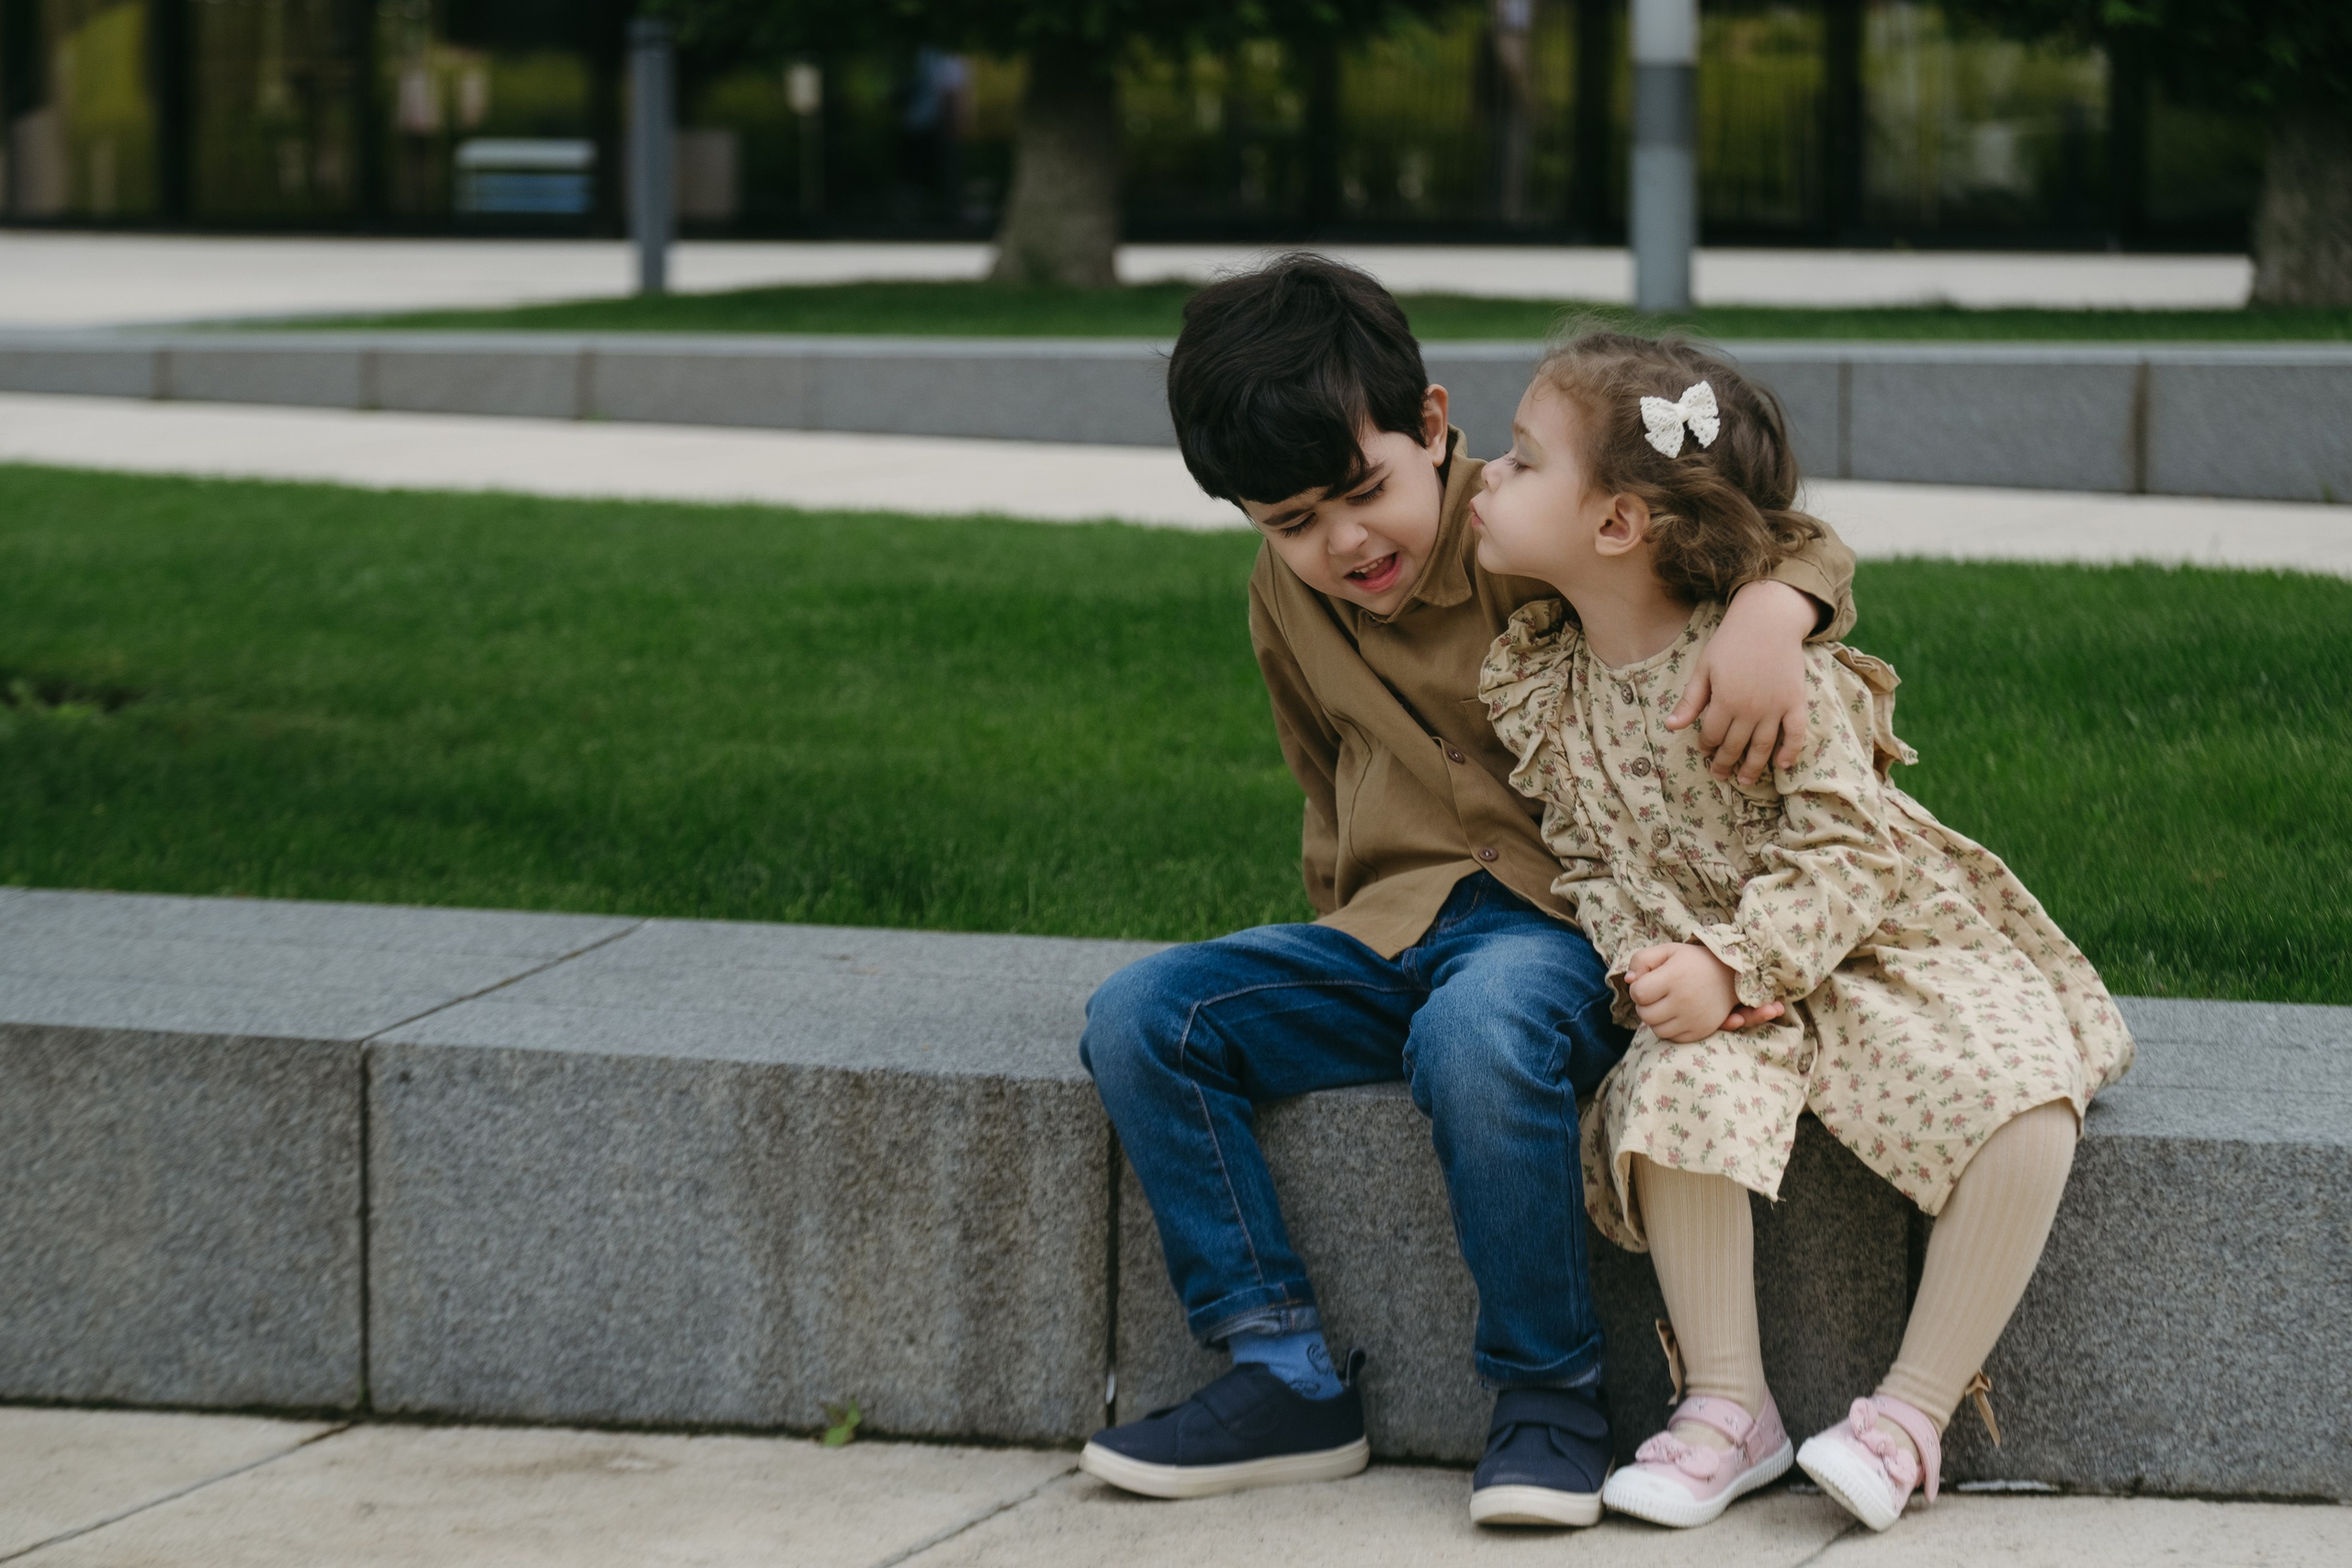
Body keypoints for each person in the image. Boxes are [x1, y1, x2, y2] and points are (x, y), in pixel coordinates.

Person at [1075, 255, 1859, 1527]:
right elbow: (1323, 775)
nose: (1342, 543)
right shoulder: (1288, 596)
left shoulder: (1533, 523)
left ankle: (1549, 1397)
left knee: (1478, 1030)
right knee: (1142, 1017)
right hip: (1387, 934)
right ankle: (1282, 1373)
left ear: (1432, 424)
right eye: (1290, 523)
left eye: (1361, 492)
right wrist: (1328, 935)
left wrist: (1774, 609)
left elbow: (1777, 527)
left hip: (1559, 930)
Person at [1469, 328, 2133, 1533]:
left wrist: (1740, 961)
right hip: (1709, 966)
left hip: (1873, 940)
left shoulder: (1771, 669)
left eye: (1520, 460)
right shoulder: (1545, 686)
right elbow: (1588, 855)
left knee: (2024, 1095)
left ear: (1617, 523)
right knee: (1673, 1090)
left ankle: (1909, 1416)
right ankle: (1728, 1410)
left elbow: (1850, 849)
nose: (1486, 475)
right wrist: (1650, 961)